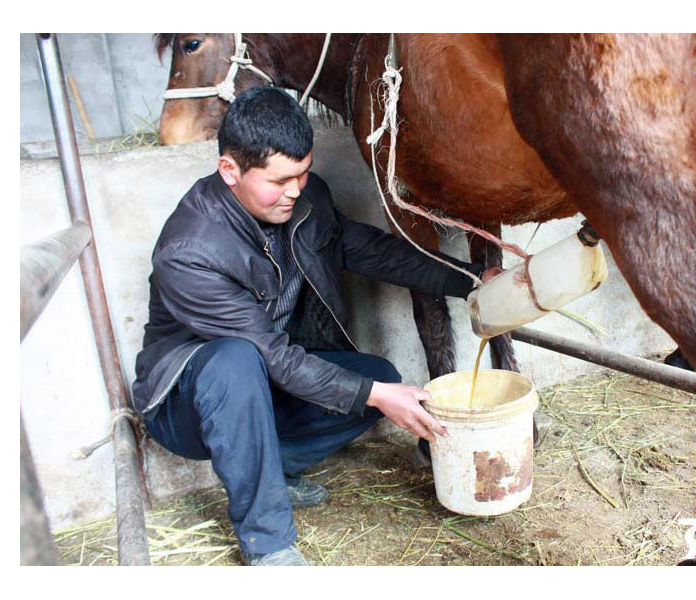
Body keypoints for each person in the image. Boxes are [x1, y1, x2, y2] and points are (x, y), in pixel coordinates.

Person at [132, 86, 492, 566]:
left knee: (378, 376)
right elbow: (267, 355)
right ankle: (269, 545)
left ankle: (272, 470)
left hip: (266, 377)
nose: (295, 191)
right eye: (280, 180)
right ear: (229, 171)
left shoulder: (306, 198)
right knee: (236, 362)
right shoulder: (192, 251)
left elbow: (370, 249)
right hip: (186, 404)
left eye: (302, 173)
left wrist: (470, 282)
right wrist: (376, 397)